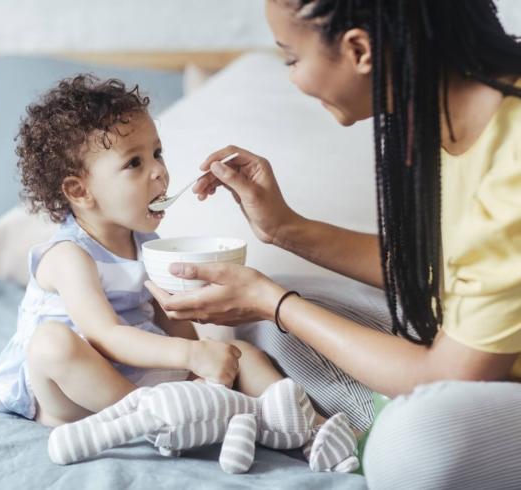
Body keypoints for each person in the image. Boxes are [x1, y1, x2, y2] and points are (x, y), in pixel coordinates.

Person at [145, 1, 521, 488]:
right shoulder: (447, 107)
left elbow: (448, 376)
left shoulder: (512, 160)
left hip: (467, 371)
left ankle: (375, 422)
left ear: (359, 49)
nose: (293, 79)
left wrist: (272, 302)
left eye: (291, 58)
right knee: (264, 327)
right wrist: (282, 229)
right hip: (486, 351)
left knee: (412, 446)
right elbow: (441, 269)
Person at [0, 74, 357, 471]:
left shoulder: (147, 243)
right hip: (75, 393)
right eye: (134, 163)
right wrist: (191, 354)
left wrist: (205, 359)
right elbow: (106, 336)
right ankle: (159, 421)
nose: (159, 172)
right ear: (79, 192)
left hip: (139, 375)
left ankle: (314, 433)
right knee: (51, 344)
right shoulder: (68, 256)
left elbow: (166, 317)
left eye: (157, 153)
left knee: (240, 353)